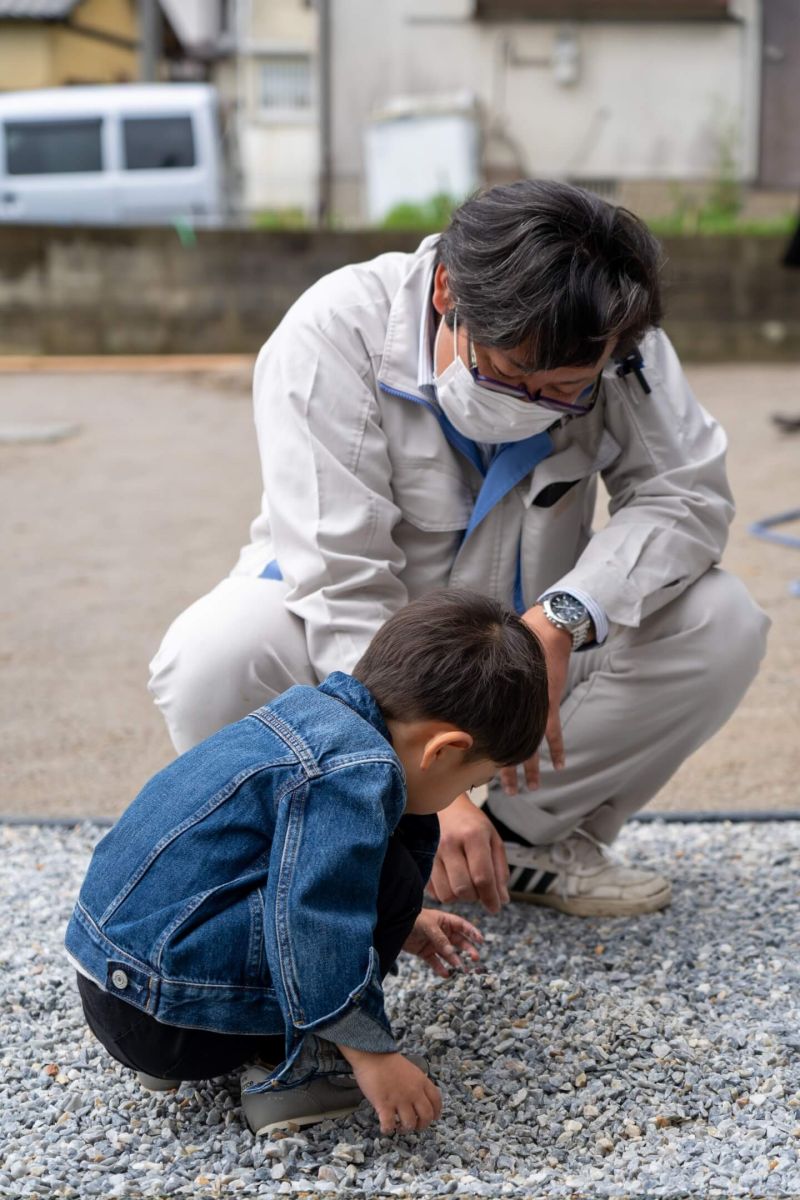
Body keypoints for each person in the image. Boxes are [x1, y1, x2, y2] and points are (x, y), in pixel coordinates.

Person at [149, 179, 769, 920]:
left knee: (721, 618)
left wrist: (563, 618)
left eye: (565, 389)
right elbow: (343, 582)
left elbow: (687, 496)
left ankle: (517, 844)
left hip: (514, 638)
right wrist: (421, 798)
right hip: (350, 638)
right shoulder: (334, 328)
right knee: (210, 657)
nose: (535, 404)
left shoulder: (617, 337)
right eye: (511, 374)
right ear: (448, 290)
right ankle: (322, 858)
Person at [66, 590, 548, 1136]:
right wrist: (372, 1054)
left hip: (115, 988)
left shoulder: (299, 715)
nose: (466, 794)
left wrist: (402, 925)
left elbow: (262, 863)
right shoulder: (356, 772)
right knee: (390, 873)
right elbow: (317, 919)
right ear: (442, 751)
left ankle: (184, 1049)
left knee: (364, 875)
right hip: (170, 1024)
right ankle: (297, 1072)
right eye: (473, 781)